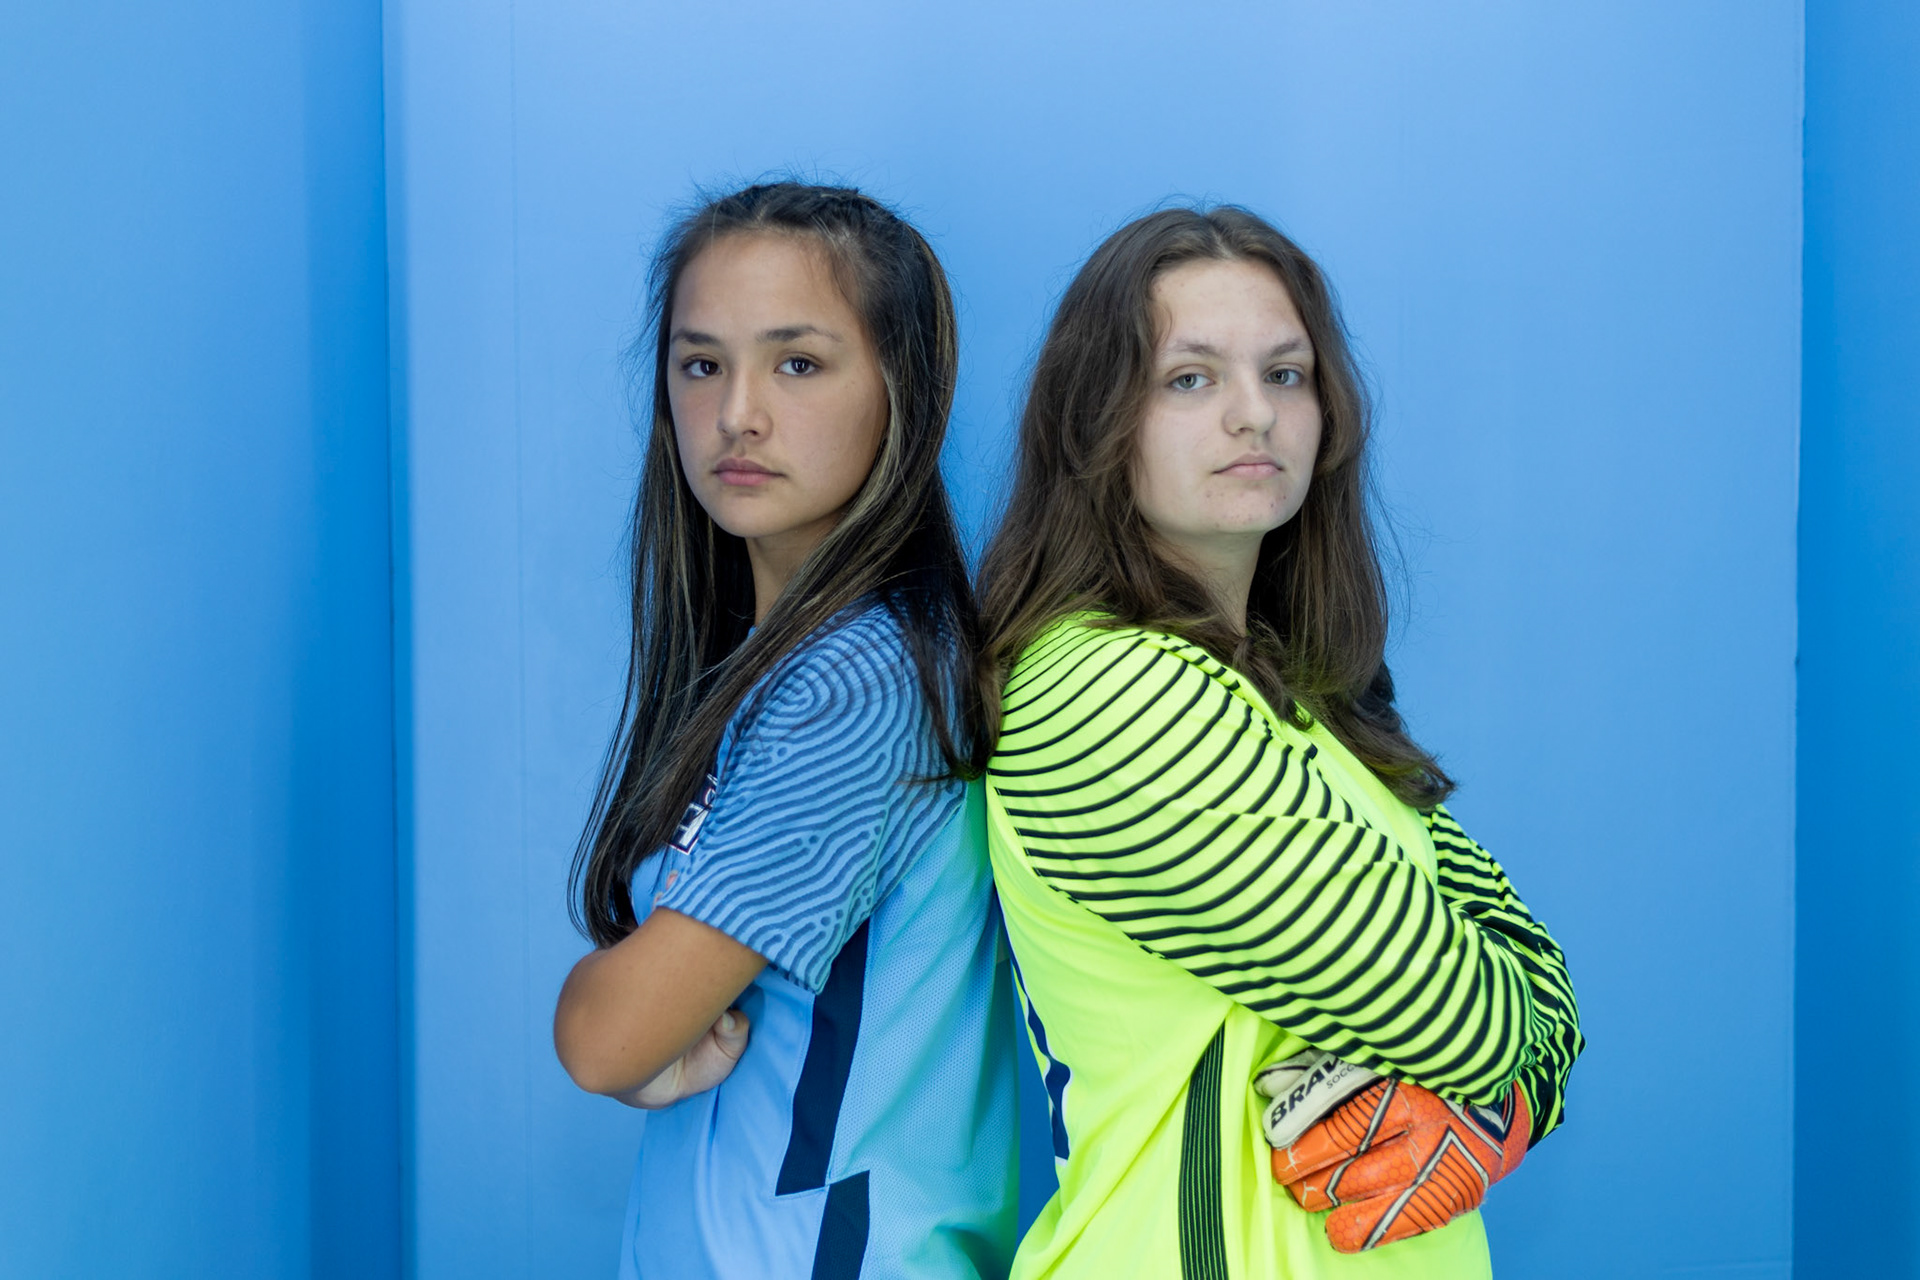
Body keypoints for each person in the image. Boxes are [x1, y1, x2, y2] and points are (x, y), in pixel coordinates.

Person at [975, 206, 1583, 1278]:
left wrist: (1519, 1087)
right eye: (1189, 378)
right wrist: (1513, 1072)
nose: (1254, 414)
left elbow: (1532, 982)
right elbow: (1475, 1020)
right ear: (1096, 418)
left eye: (1286, 374)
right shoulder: (1100, 693)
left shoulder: (1303, 694)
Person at [554, 182, 1017, 1280]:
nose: (737, 415)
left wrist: (615, 1019)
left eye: (798, 363)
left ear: (905, 390)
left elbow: (604, 1037)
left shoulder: (863, 685)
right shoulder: (778, 661)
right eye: (700, 364)